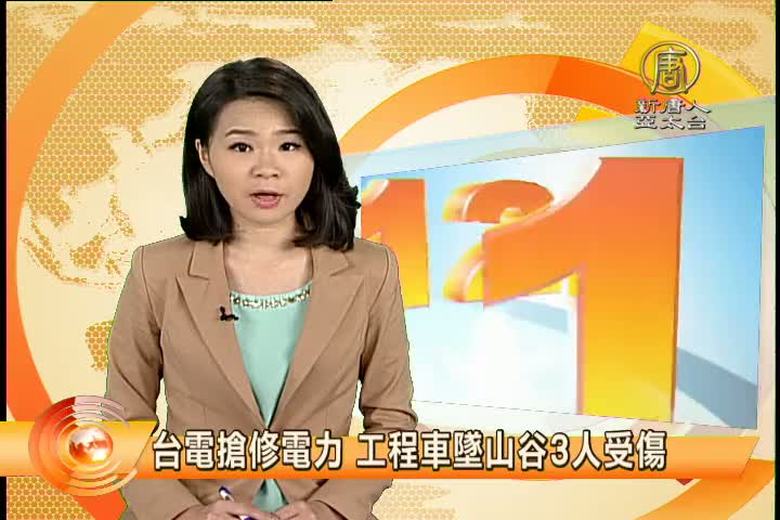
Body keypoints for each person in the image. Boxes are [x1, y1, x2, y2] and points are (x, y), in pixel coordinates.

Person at [106, 57, 417, 520]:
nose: (267, 168)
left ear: (316, 155)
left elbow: (392, 425)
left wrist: (329, 509)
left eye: (289, 145)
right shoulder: (156, 270)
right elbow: (122, 426)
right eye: (241, 147)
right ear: (205, 156)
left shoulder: (372, 269)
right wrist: (186, 514)